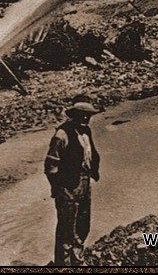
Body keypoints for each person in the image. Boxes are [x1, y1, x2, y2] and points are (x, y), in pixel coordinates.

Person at [44, 95, 102, 266]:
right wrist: (57, 188)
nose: (85, 118)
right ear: (74, 115)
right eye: (82, 115)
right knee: (66, 229)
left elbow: (91, 156)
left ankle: (77, 259)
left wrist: (94, 172)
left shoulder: (86, 131)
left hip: (84, 183)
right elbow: (50, 165)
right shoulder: (62, 135)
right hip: (67, 187)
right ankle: (63, 264)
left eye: (88, 115)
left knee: (83, 225)